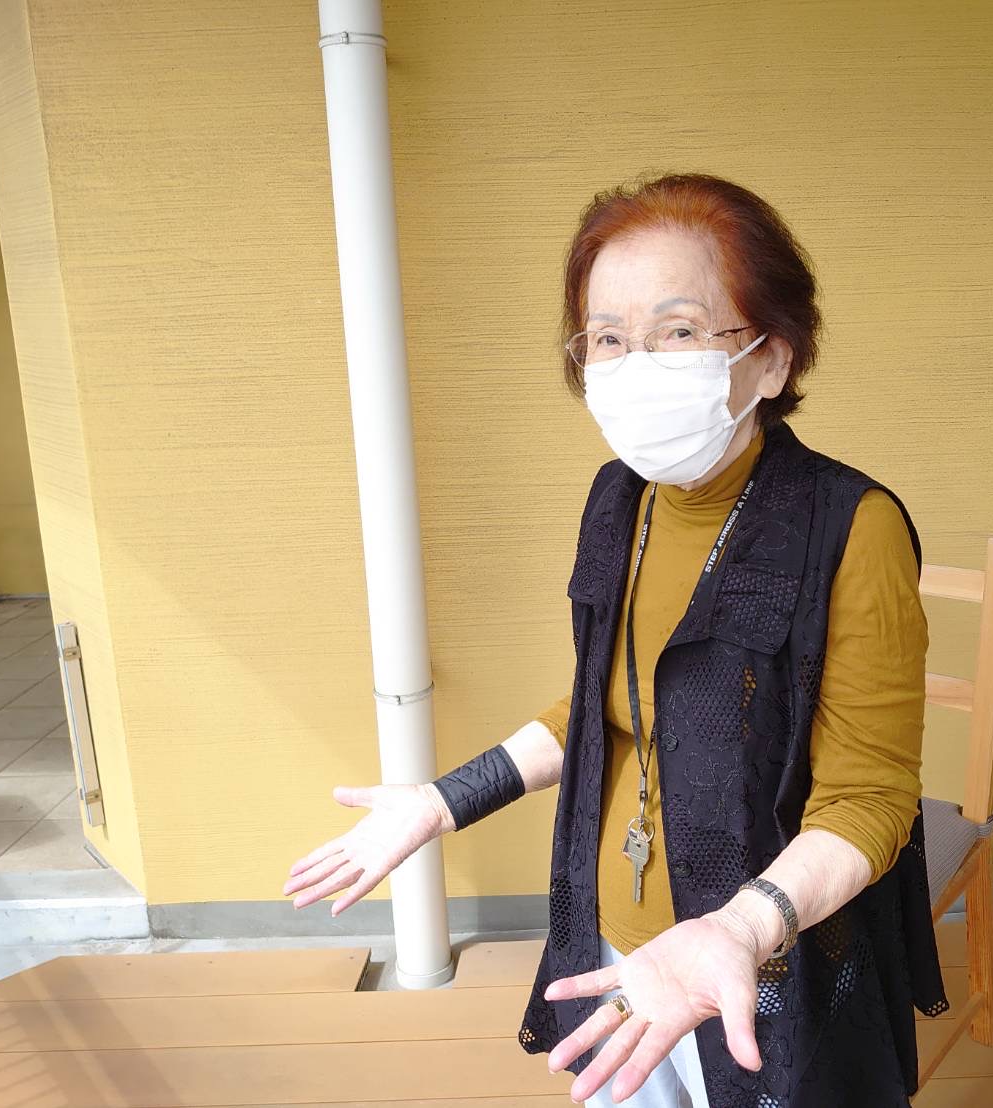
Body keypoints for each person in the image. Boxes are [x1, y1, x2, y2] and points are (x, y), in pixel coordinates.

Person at [283, 172, 950, 1107]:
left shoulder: (850, 525)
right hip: (604, 945)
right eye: (606, 338)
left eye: (676, 331)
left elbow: (869, 800)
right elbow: (605, 705)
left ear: (770, 360)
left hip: (761, 960)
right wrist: (443, 801)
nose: (634, 366)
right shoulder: (618, 500)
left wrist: (739, 929)